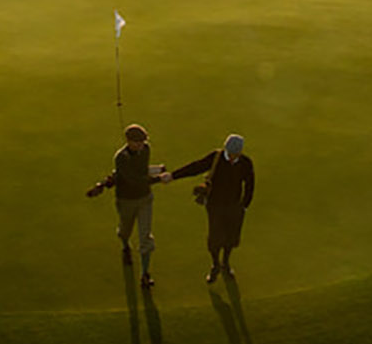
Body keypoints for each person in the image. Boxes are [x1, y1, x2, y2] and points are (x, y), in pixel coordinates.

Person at [165, 133, 254, 284]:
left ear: (240, 152)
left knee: (231, 237)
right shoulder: (216, 158)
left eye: (235, 154)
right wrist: (174, 175)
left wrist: (244, 205)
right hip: (215, 205)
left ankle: (226, 262)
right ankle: (215, 264)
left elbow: (250, 184)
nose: (232, 157)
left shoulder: (245, 163)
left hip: (234, 205)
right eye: (230, 154)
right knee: (214, 237)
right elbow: (196, 167)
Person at [87, 123, 160, 288]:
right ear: (128, 141)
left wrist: (155, 171)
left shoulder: (146, 150)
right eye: (137, 142)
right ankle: (126, 246)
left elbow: (141, 171)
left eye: (142, 141)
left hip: (145, 198)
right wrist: (156, 178)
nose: (140, 145)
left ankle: (145, 274)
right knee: (125, 231)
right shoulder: (121, 157)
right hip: (126, 200)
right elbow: (131, 178)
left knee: (145, 236)